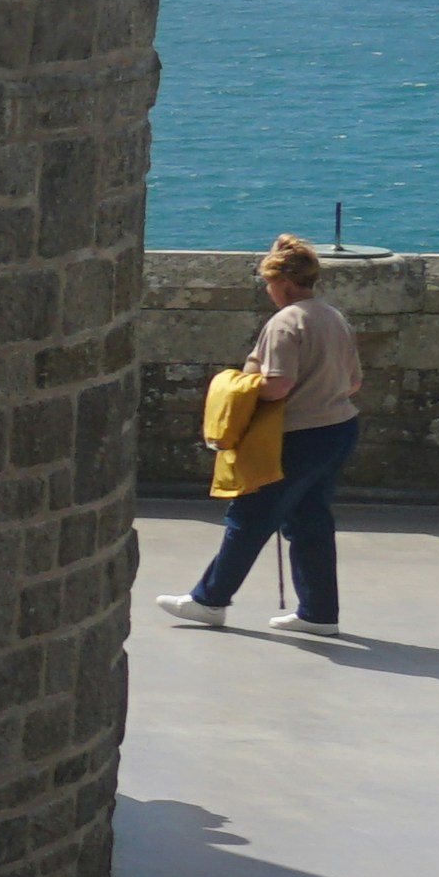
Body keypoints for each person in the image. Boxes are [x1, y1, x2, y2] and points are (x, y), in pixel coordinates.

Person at [162, 234, 365, 632]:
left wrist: (235, 384)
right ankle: (319, 613)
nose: (269, 291)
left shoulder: (286, 322)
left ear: (283, 283)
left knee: (249, 517)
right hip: (339, 427)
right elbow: (354, 382)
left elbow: (278, 385)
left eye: (268, 283)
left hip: (297, 436)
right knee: (310, 521)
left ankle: (210, 600)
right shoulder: (332, 316)